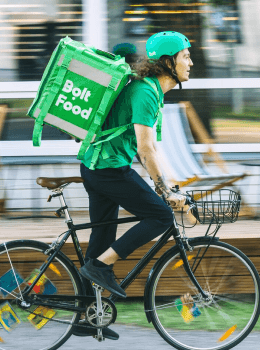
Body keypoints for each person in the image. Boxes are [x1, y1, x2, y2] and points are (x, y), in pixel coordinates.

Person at [78, 31, 192, 298]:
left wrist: (171, 186)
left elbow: (154, 150)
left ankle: (87, 312)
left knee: (102, 239)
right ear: (168, 62)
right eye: (185, 57)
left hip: (98, 167)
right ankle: (101, 267)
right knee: (161, 216)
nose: (190, 63)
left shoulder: (150, 90)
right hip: (109, 169)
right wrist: (164, 193)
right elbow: (145, 150)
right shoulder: (145, 92)